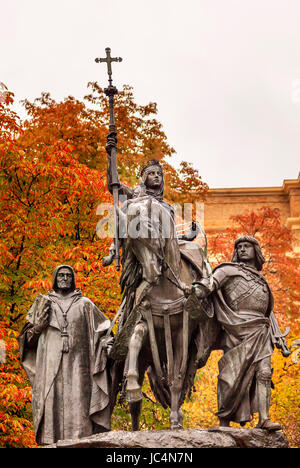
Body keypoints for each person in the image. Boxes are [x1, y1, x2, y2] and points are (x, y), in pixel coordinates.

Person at [192, 236, 289, 431]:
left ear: (256, 251)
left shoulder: (262, 280)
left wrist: (277, 335)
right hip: (235, 328)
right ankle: (224, 421)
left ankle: (264, 419)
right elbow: (210, 285)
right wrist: (199, 289)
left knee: (264, 373)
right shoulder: (227, 270)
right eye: (240, 247)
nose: (243, 249)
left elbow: (267, 311)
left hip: (261, 330)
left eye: (247, 246)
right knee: (230, 374)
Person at [18, 265, 113, 445]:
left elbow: (104, 333)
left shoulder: (85, 305)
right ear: (54, 278)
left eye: (68, 275)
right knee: (51, 401)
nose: (64, 278)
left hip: (79, 366)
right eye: (61, 275)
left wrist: (107, 344)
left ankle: (81, 443)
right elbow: (27, 341)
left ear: (73, 279)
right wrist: (38, 326)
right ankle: (50, 442)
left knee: (79, 401)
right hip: (49, 364)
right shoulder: (44, 303)